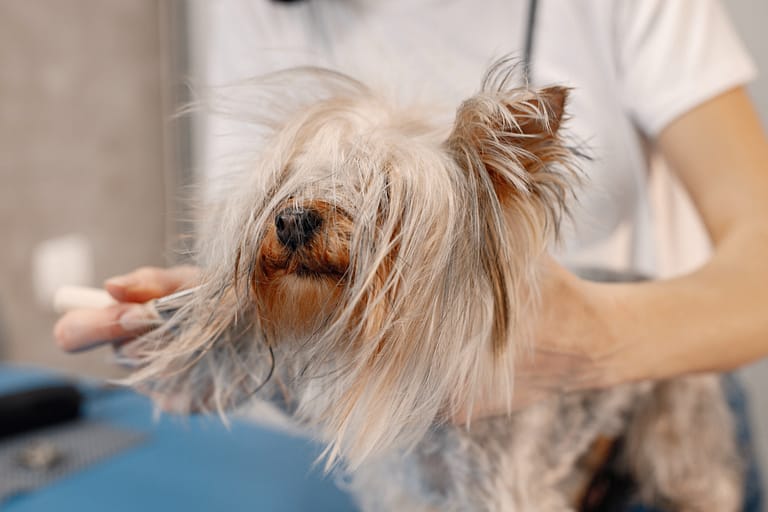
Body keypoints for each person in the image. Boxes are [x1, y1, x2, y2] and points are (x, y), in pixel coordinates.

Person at [54, 1, 768, 509]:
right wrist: (231, 328)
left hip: (668, 374)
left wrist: (591, 344)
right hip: (396, 415)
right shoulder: (268, 8)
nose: (299, 221)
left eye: (382, 208)